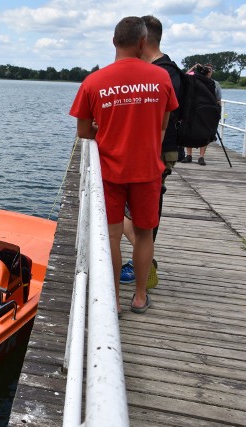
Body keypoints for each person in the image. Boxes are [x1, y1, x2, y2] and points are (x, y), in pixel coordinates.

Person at [69, 16, 178, 315]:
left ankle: (114, 300)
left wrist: (106, 131)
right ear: (143, 42)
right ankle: (140, 296)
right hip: (147, 170)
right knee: (144, 234)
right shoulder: (161, 78)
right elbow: (163, 125)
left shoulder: (94, 81)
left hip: (110, 170)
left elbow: (83, 131)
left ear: (114, 42)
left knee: (112, 236)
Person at [119, 15, 182, 288]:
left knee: (136, 212)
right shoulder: (170, 70)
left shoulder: (162, 73)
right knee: (143, 212)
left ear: (143, 42)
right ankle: (142, 261)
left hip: (155, 152)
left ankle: (144, 263)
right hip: (158, 150)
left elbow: (157, 120)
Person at [181, 64, 222, 165]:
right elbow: (184, 77)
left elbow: (218, 99)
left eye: (210, 69)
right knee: (189, 130)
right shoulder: (194, 80)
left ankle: (200, 157)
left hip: (203, 111)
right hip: (197, 111)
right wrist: (194, 67)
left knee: (205, 133)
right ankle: (189, 155)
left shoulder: (214, 83)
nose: (208, 71)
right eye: (207, 69)